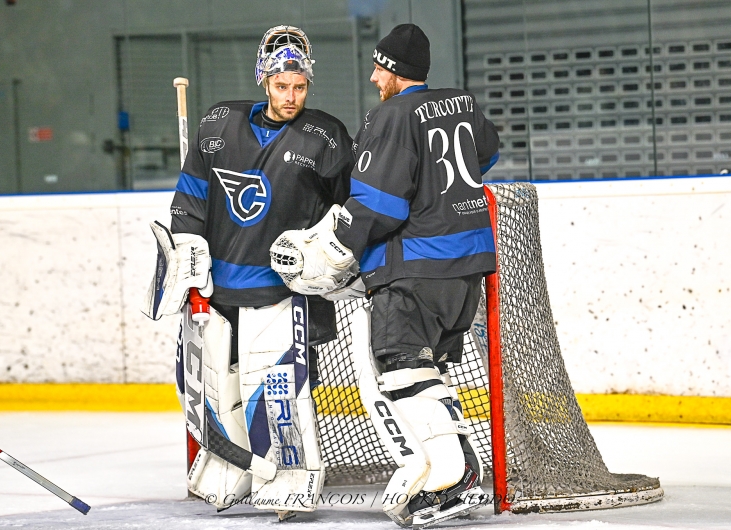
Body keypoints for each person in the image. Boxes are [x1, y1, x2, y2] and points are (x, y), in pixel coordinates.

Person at [270, 23, 500, 527]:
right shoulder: (459, 103)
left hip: (418, 268)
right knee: (426, 368)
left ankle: (452, 477)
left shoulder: (391, 116)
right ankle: (455, 469)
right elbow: (488, 153)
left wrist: (335, 249)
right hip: (468, 268)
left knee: (399, 367)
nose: (374, 76)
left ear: (395, 72)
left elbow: (379, 202)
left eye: (379, 68)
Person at [144, 26, 354, 518]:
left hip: (283, 291)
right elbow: (190, 197)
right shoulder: (218, 123)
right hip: (221, 290)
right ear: (263, 79)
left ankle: (289, 477)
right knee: (218, 387)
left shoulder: (325, 136)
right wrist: (188, 253)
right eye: (282, 86)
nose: (291, 96)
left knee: (276, 389)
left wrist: (329, 256)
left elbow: (349, 210)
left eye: (299, 87)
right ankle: (232, 469)